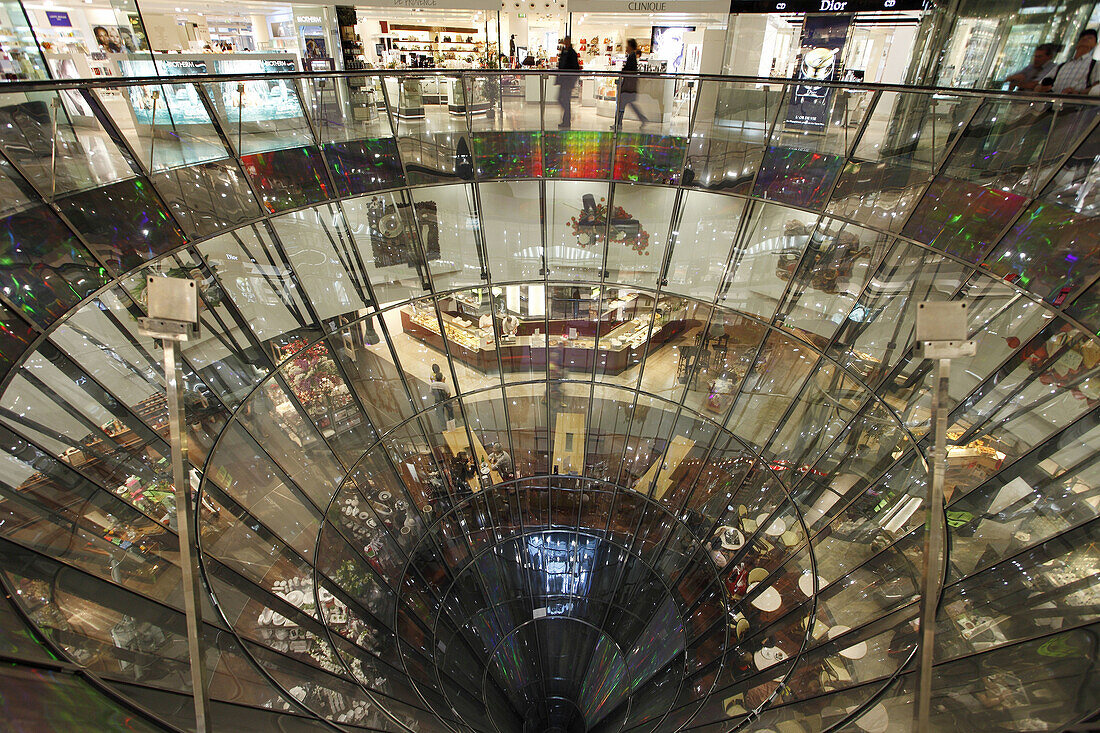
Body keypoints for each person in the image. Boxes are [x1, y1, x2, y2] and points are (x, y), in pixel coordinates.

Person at [1039, 29, 1098, 95]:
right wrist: (1043, 88)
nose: (1085, 39)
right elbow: (1040, 85)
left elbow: (1097, 87)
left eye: (1089, 38)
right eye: (1082, 38)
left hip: (1077, 103)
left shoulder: (1095, 65)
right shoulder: (1062, 66)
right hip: (1054, 102)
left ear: (1095, 44)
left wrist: (1078, 93)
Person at [613, 38, 649, 130]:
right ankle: (620, 123)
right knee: (628, 104)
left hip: (628, 86)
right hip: (629, 85)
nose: (626, 47)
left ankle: (618, 123)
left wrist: (622, 72)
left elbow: (629, 70)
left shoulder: (631, 57)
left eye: (627, 45)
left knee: (621, 104)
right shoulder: (632, 56)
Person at [556, 36, 581, 128]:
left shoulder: (572, 53)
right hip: (563, 80)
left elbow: (576, 68)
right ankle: (567, 118)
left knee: (565, 100)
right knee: (561, 99)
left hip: (567, 81)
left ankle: (566, 121)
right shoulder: (564, 52)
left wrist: (572, 81)